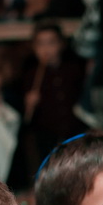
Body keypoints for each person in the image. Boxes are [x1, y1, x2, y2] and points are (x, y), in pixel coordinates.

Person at [18, 19, 87, 186]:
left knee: (76, 169)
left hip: (73, 130)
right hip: (45, 133)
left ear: (61, 44)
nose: (46, 49)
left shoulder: (73, 69)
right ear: (34, 47)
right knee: (48, 170)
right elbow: (24, 115)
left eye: (51, 43)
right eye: (40, 44)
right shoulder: (30, 74)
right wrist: (28, 103)